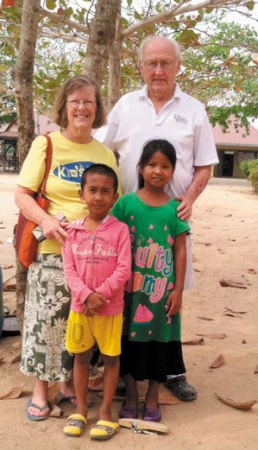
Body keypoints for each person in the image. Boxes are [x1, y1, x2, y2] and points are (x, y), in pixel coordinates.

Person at [96, 35, 219, 401]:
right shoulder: (124, 106)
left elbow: (205, 165)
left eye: (166, 63)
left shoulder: (194, 110)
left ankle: (172, 370)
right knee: (126, 294)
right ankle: (123, 371)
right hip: (125, 224)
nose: (159, 70)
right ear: (141, 66)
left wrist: (188, 200)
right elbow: (101, 153)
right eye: (152, 63)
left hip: (169, 223)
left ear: (179, 65)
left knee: (168, 294)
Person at [14, 75, 120, 421]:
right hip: (52, 254)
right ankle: (42, 389)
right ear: (64, 106)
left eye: (89, 101)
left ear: (97, 109)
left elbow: (114, 205)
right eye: (75, 101)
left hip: (96, 260)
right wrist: (45, 222)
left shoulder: (104, 153)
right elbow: (21, 194)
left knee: (82, 324)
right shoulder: (46, 145)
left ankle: (70, 385)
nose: (82, 108)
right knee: (49, 322)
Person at [111, 139, 190, 422]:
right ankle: (131, 394)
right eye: (152, 165)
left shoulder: (175, 209)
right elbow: (111, 241)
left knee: (159, 346)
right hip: (129, 295)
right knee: (128, 344)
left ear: (172, 171)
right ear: (141, 168)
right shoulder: (125, 204)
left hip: (161, 295)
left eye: (165, 166)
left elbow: (180, 250)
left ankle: (153, 396)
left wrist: (178, 291)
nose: (158, 171)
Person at [62, 164, 131, 439]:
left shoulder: (120, 231)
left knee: (111, 359)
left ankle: (105, 413)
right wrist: (86, 296)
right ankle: (80, 410)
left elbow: (124, 268)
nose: (99, 197)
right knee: (80, 358)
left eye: (106, 191)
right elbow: (69, 270)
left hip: (110, 310)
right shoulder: (72, 231)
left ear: (115, 197)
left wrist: (100, 295)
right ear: (81, 194)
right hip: (81, 310)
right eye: (93, 190)